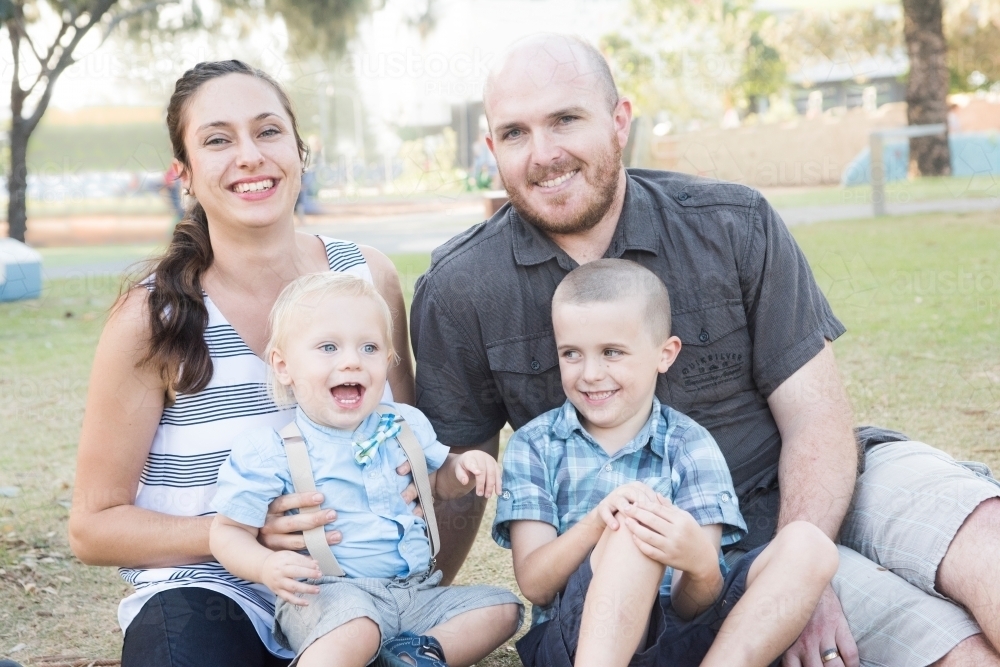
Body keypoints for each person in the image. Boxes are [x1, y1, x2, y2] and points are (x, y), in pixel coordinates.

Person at [410, 33, 1000, 666]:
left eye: (565, 120)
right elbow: (455, 472)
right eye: (515, 133)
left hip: (827, 485)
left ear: (619, 122)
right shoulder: (461, 290)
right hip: (702, 562)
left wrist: (802, 572)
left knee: (985, 541)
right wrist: (412, 606)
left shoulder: (732, 223)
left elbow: (816, 421)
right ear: (492, 146)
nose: (544, 154)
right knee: (963, 653)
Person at [69, 61, 417, 666]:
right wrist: (235, 534)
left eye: (268, 131)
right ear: (186, 174)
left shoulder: (367, 279)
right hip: (207, 594)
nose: (250, 156)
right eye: (218, 140)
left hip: (349, 598)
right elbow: (93, 528)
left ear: (299, 152)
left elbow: (404, 449)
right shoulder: (153, 318)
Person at [494, 259, 838, 667]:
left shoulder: (691, 445)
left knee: (809, 544)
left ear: (665, 354)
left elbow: (695, 605)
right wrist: (601, 522)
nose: (590, 373)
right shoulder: (534, 445)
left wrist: (700, 564)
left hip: (680, 639)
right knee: (633, 525)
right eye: (571, 354)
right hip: (577, 639)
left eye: (611, 352)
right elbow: (535, 584)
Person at [209, 272, 522, 667]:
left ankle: (413, 656)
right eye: (328, 347)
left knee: (501, 608)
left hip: (416, 593)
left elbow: (436, 486)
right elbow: (227, 532)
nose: (352, 361)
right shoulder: (271, 449)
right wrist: (266, 565)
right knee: (356, 628)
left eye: (369, 347)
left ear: (388, 361)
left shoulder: (404, 425)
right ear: (284, 366)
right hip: (329, 597)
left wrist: (462, 469)